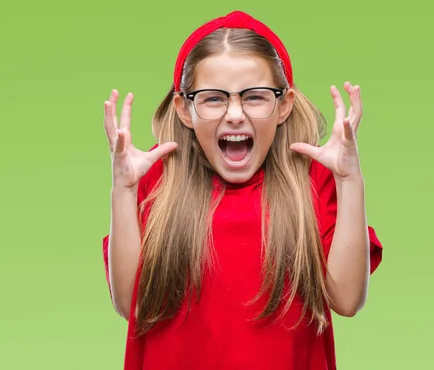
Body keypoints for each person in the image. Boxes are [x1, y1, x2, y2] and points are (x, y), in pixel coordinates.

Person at [100, 9, 383, 370]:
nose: (234, 113)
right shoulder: (157, 182)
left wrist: (349, 181)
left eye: (254, 96)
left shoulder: (313, 182)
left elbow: (347, 299)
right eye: (214, 98)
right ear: (185, 111)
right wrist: (124, 190)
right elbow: (130, 304)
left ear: (284, 105)